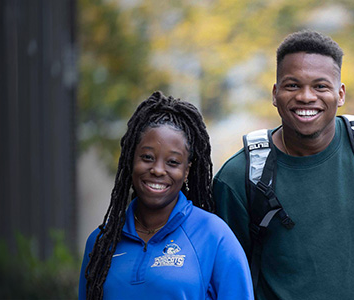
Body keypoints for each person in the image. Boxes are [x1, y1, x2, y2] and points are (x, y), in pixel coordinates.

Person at [213, 30, 354, 300]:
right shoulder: (240, 178)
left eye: (320, 86)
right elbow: (227, 283)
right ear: (275, 94)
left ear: (340, 94)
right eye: (292, 85)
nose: (306, 97)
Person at [79, 90, 254, 300]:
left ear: (187, 170)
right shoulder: (101, 242)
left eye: (172, 162)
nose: (158, 170)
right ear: (130, 159)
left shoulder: (215, 236)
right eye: (147, 157)